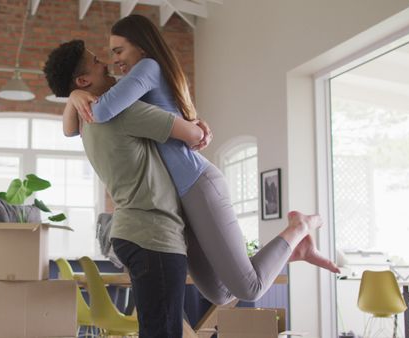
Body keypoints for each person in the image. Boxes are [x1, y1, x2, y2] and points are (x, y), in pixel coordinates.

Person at [63, 14, 340, 306]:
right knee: (219, 293)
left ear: (142, 48)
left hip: (196, 184)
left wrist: (75, 94)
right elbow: (72, 129)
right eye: (110, 54)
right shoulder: (133, 82)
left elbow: (102, 112)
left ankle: (299, 227)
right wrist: (73, 96)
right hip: (180, 201)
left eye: (119, 51)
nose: (114, 61)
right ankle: (295, 251)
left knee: (249, 288)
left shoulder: (148, 67)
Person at [44, 40, 205, 338]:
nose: (105, 62)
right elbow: (193, 136)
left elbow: (67, 128)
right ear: (83, 80)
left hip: (136, 233)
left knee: (158, 329)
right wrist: (198, 126)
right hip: (153, 234)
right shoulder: (121, 113)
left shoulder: (85, 120)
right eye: (95, 61)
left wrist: (73, 98)